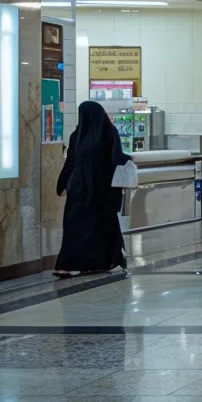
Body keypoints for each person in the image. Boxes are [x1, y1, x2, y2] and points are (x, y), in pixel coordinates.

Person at [54, 101, 132, 277]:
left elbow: (116, 158)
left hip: (101, 190)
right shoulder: (78, 135)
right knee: (75, 226)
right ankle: (68, 264)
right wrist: (64, 184)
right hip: (80, 189)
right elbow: (71, 162)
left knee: (99, 225)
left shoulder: (107, 132)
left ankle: (100, 261)